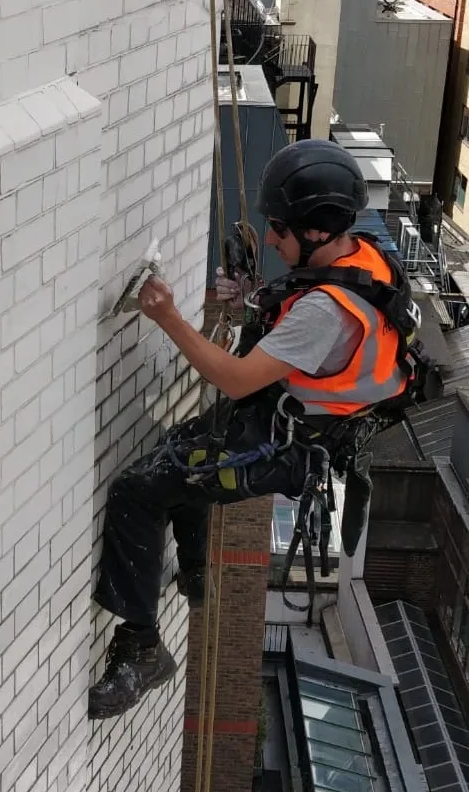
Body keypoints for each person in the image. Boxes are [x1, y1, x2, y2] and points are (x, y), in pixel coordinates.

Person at [88, 139, 416, 720]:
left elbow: (237, 380)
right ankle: (195, 569)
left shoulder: (327, 310)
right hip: (290, 423)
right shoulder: (360, 257)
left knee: (137, 491)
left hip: (282, 440)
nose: (269, 238)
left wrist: (167, 317)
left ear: (317, 232)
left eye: (280, 230)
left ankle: (141, 648)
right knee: (178, 456)